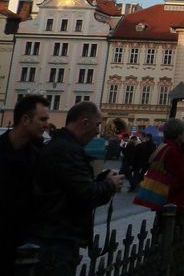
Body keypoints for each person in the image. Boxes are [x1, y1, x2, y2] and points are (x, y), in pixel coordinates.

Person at [27, 101, 124, 276]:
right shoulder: (68, 150)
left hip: (53, 235)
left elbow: (72, 187)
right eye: (97, 125)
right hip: (56, 239)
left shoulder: (61, 145)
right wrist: (109, 185)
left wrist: (99, 181)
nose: (97, 131)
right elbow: (84, 195)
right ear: (84, 122)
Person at [0, 95, 50, 271]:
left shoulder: (39, 156)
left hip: (22, 243)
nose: (46, 125)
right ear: (25, 119)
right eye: (42, 119)